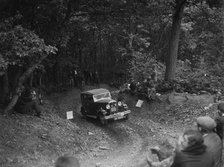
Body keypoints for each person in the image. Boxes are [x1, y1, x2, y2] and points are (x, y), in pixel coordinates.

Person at [147, 129, 215, 167]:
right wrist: (160, 151)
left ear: (192, 144)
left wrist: (151, 163)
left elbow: (168, 163)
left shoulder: (182, 157)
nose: (181, 141)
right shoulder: (209, 154)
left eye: (184, 140)